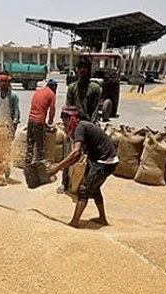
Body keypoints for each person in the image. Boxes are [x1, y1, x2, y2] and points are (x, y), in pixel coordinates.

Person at [47, 106, 118, 228]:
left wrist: (57, 167)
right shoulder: (82, 126)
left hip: (105, 162)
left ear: (72, 118)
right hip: (105, 160)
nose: (63, 122)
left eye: (65, 119)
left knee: (84, 189)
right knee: (94, 188)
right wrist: (62, 166)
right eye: (62, 118)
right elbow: (76, 156)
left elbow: (75, 152)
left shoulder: (80, 128)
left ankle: (74, 223)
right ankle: (102, 218)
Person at [59, 57, 102, 194]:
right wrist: (68, 127)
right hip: (73, 126)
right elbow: (67, 109)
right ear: (77, 70)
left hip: (88, 126)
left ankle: (84, 184)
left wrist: (90, 129)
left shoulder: (95, 88)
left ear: (90, 70)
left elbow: (95, 110)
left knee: (88, 158)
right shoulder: (72, 88)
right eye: (80, 68)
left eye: (86, 67)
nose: (83, 70)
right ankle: (65, 183)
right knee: (68, 155)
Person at [25, 79, 57, 165]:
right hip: (39, 122)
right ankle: (39, 165)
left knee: (30, 143)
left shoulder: (38, 91)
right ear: (54, 87)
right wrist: (50, 121)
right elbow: (52, 109)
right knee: (40, 145)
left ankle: (27, 163)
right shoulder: (51, 94)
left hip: (30, 120)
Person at [0, 73, 21, 140]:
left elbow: (16, 110)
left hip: (9, 124)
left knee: (8, 142)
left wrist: (15, 121)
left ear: (8, 83)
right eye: (2, 81)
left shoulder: (13, 96)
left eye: (5, 81)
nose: (3, 83)